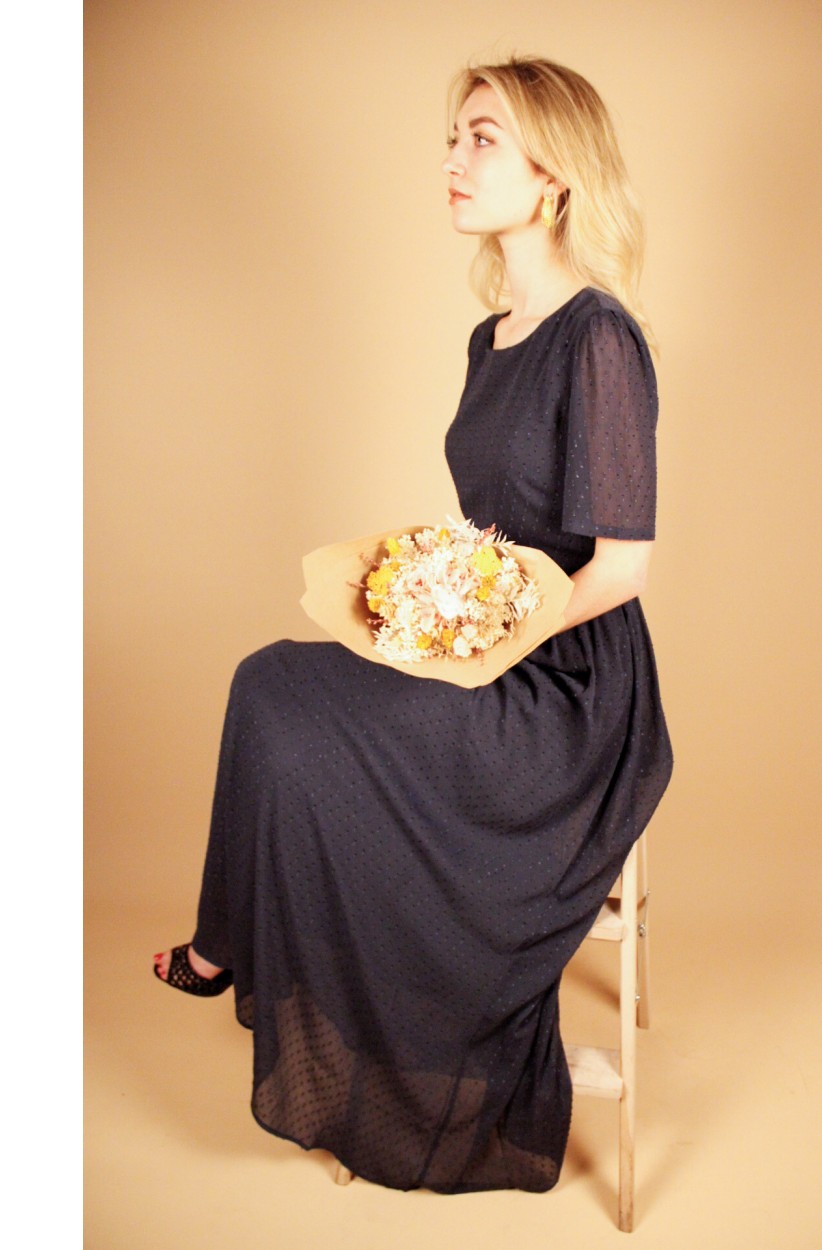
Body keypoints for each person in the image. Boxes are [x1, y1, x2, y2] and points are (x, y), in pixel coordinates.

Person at [153, 54, 674, 1195]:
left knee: (287, 699)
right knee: (273, 680)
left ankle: (237, 949)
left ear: (552, 175)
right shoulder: (491, 338)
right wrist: (433, 594)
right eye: (454, 136)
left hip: (569, 690)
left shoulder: (598, 337)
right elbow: (491, 529)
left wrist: (497, 635)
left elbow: (624, 566)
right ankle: (234, 941)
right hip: (491, 648)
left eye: (482, 139)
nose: (452, 159)